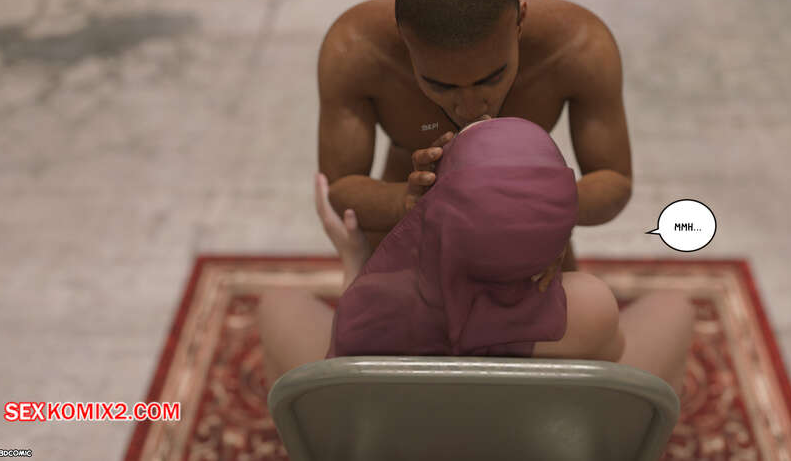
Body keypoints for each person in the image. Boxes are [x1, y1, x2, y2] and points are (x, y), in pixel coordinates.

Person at [259, 117, 695, 395]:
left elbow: (344, 373)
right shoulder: (588, 307)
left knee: (278, 304)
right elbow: (612, 371)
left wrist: (355, 261)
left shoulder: (376, 304)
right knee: (673, 308)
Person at [317, 0, 633, 273]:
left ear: (520, 22)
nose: (469, 109)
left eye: (492, 78)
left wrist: (539, 202)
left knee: (582, 304)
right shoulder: (356, 50)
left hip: (529, 225)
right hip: (410, 219)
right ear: (404, 40)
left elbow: (616, 181)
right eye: (441, 85)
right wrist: (408, 201)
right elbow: (338, 188)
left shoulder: (579, 47)